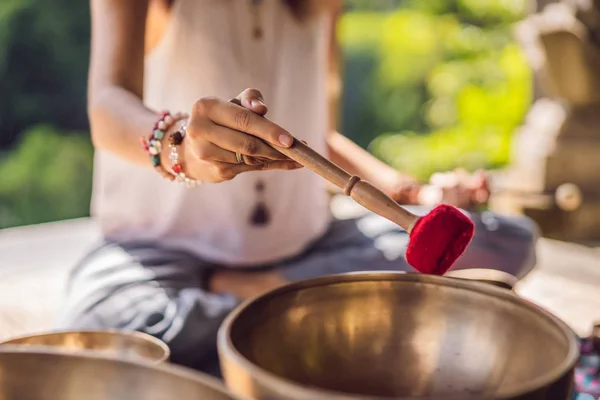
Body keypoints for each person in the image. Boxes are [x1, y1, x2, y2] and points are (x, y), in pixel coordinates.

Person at [57, 0, 539, 376]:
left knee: (508, 240)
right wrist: (178, 143)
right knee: (105, 324)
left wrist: (412, 194)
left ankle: (259, 307)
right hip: (164, 256)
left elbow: (318, 134)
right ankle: (317, 308)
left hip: (306, 245)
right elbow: (107, 105)